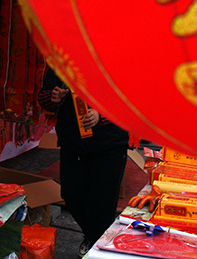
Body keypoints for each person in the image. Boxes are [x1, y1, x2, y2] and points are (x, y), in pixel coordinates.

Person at [38, 65, 129, 255]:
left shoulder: (115, 59)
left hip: (109, 144)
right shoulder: (61, 59)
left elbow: (129, 98)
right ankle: (97, 238)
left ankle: (97, 247)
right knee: (71, 195)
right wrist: (55, 98)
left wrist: (101, 114)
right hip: (73, 143)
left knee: (102, 202)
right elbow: (44, 97)